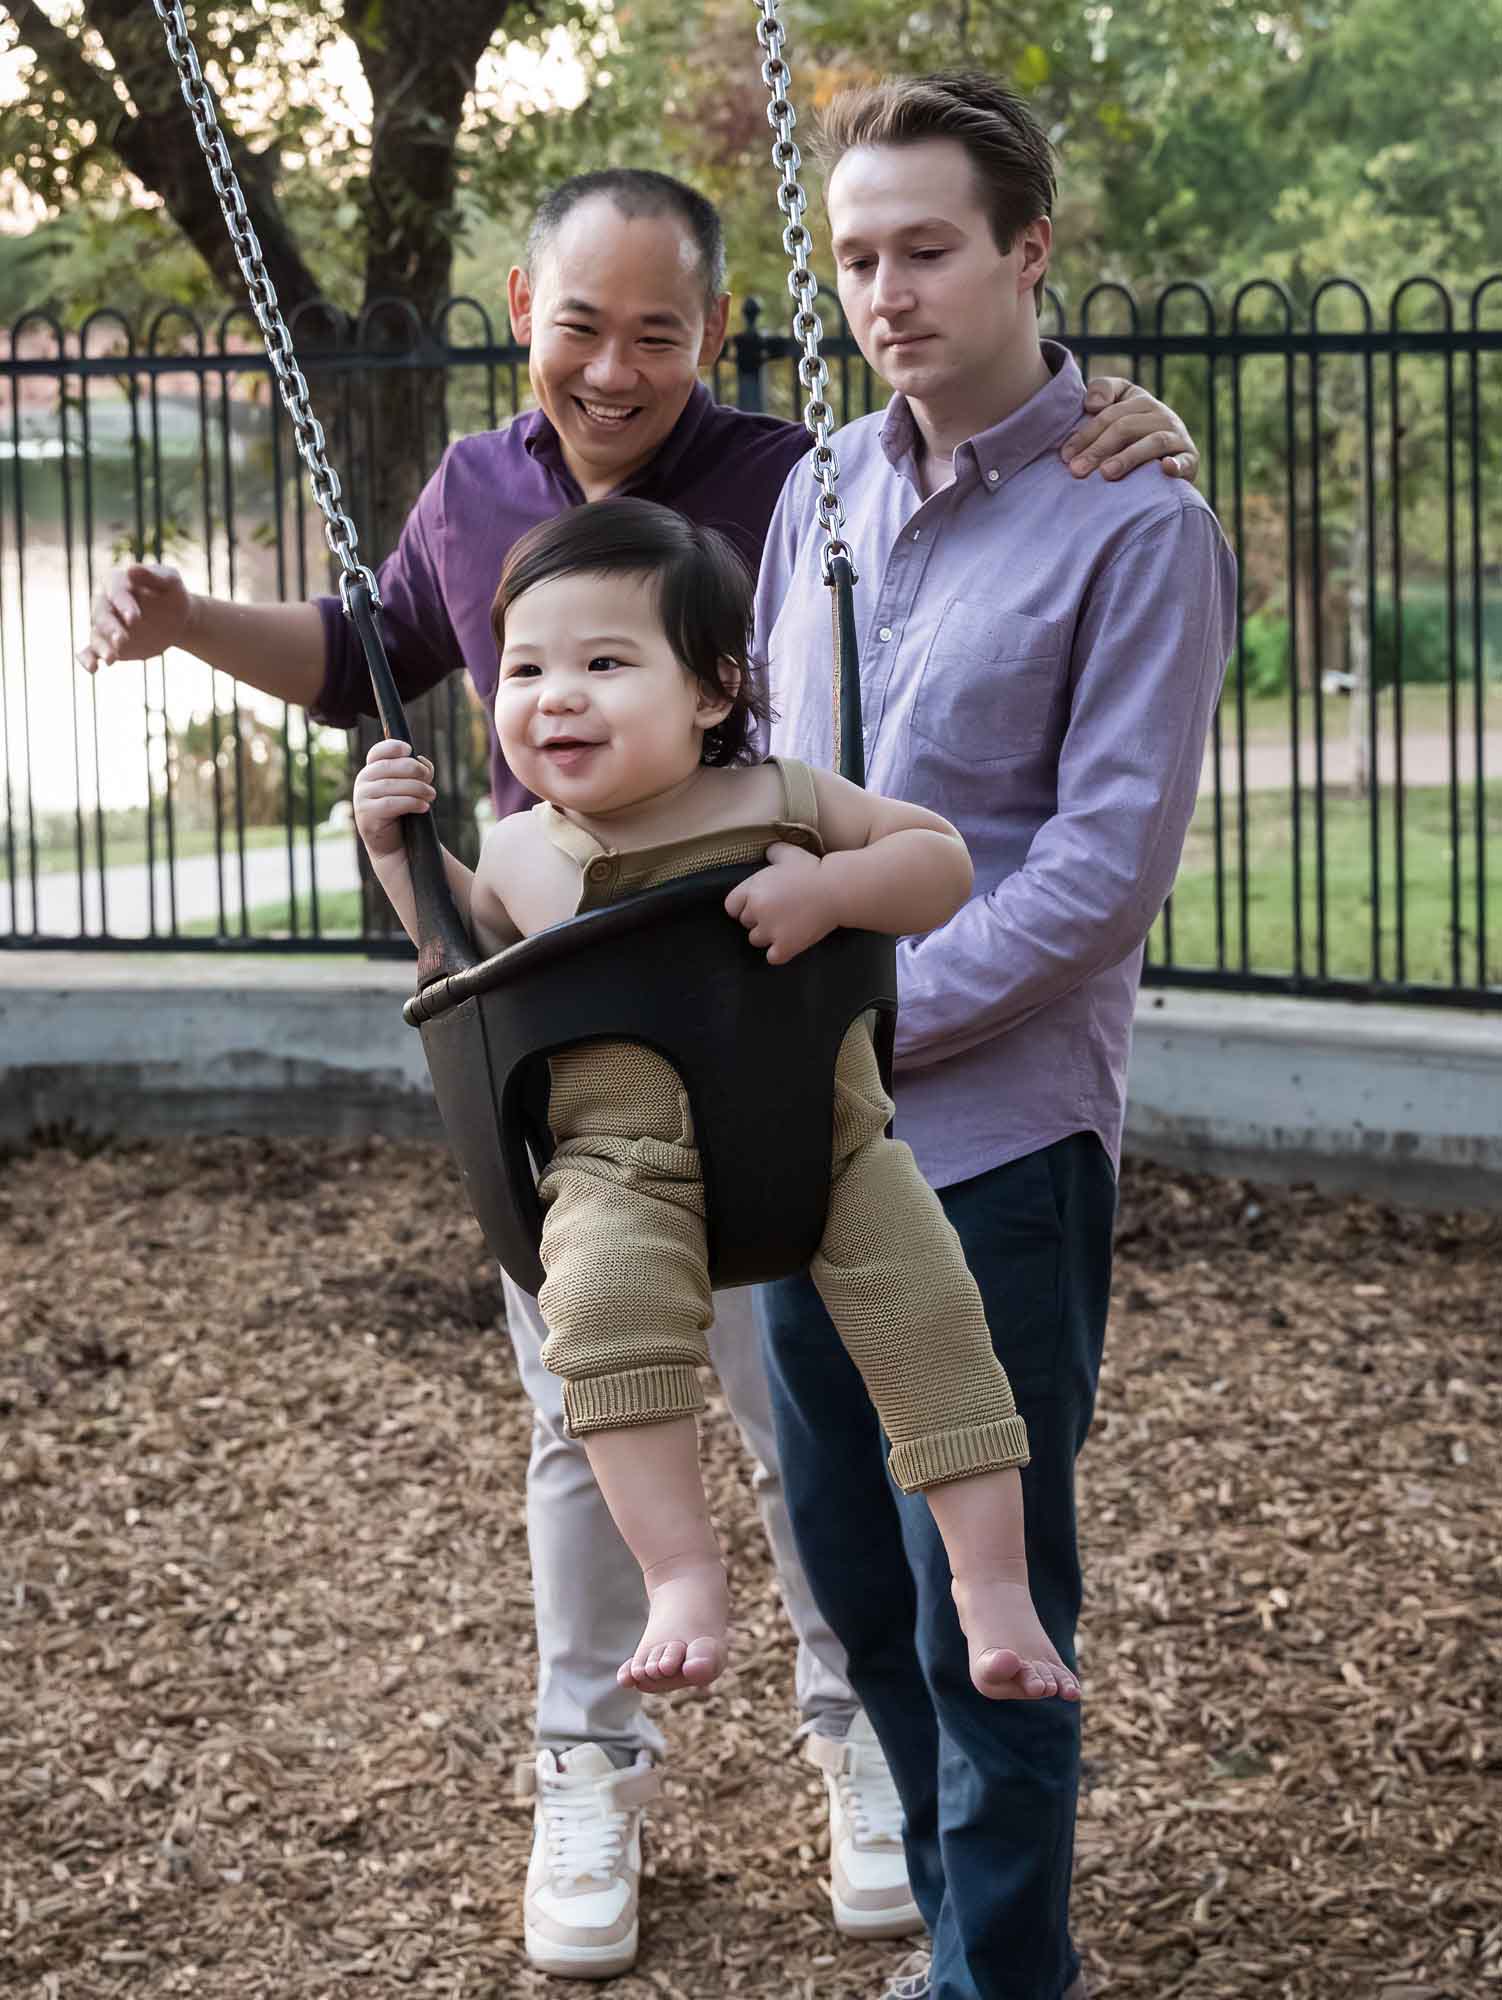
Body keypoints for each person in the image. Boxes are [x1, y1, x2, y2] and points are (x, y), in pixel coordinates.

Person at [75, 166, 1203, 1977]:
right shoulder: (472, 492)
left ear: (714, 333)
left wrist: (1110, 411)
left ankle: (856, 1745)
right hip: (577, 1054)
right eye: (579, 325)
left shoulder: (786, 479)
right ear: (520, 303)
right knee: (592, 1390)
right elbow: (371, 661)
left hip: (777, 1058)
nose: (613, 367)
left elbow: (955, 433)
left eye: (658, 332)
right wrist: (200, 622)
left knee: (822, 1418)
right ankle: (592, 1752)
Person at [751, 74, 1239, 2000]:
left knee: (992, 1607)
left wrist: (864, 1022)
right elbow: (764, 782)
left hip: (991, 1149)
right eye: (858, 255)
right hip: (796, 1138)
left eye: (928, 249)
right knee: (861, 1588)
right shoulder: (818, 490)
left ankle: (1001, 1973)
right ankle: (961, 1939)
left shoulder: (1137, 521)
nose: (886, 289)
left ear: (1029, 252)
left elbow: (1096, 880)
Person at [356, 492, 1084, 1712]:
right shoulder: (524, 849)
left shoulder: (784, 799)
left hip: (832, 1148)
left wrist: (835, 888)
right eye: (525, 666)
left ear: (710, 689)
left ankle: (991, 1588)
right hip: (620, 1165)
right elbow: (458, 969)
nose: (556, 695)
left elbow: (942, 862)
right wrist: (395, 849)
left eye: (603, 661)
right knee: (597, 1309)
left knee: (935, 1318)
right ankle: (682, 1574)